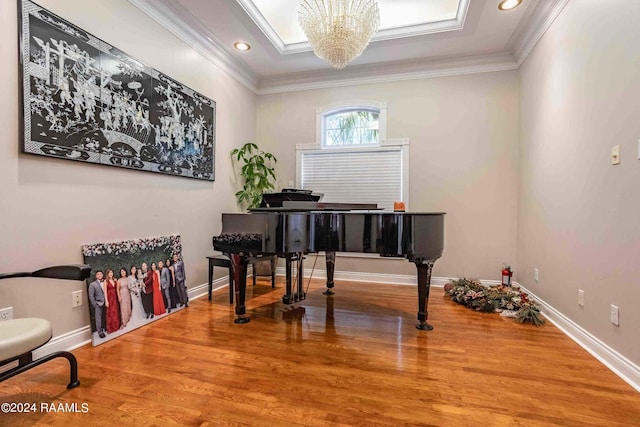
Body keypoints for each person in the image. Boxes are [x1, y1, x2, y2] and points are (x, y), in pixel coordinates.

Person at [88, 270, 106, 338]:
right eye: (98, 274)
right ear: (96, 276)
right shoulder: (92, 284)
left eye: (101, 274)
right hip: (98, 303)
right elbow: (91, 296)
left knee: (104, 317)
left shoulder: (104, 282)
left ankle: (105, 328)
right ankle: (100, 332)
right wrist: (95, 304)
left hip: (106, 302)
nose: (99, 275)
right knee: (98, 318)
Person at [104, 269, 121, 333]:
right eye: (109, 273)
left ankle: (116, 326)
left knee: (116, 311)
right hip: (110, 298)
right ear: (107, 274)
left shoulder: (115, 280)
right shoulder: (106, 281)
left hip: (115, 298)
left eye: (111, 272)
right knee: (110, 313)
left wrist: (119, 297)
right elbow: (105, 292)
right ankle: (111, 328)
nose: (111, 274)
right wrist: (106, 301)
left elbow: (117, 289)